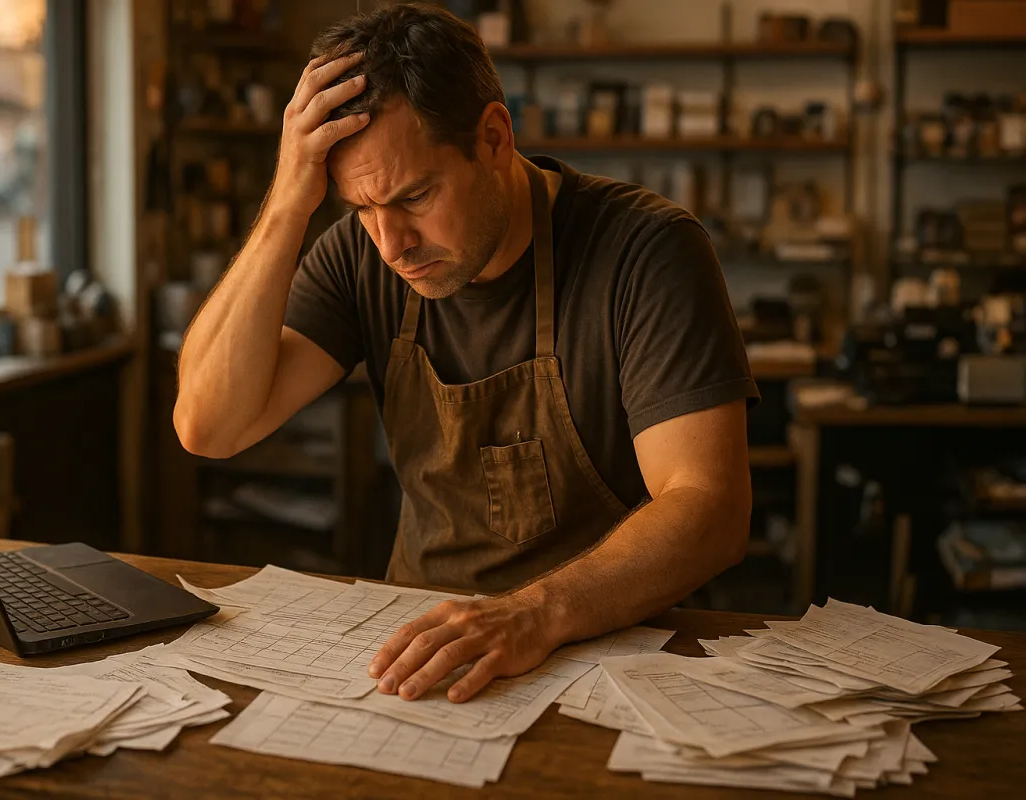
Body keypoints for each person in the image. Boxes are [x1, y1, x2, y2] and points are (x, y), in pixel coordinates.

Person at [174, 3, 759, 704]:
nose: (392, 245)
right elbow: (209, 427)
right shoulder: (361, 255)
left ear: (493, 138)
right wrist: (287, 204)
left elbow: (709, 506)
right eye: (361, 208)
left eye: (416, 196)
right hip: (423, 655)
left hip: (617, 659)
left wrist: (533, 613)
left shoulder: (646, 251)